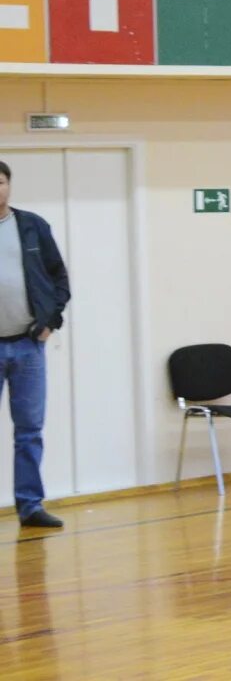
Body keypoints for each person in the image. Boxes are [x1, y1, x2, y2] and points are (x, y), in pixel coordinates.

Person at [0, 160, 70, 528]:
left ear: (9, 185)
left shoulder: (32, 227)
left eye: (0, 182)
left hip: (27, 346)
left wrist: (50, 322)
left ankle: (30, 506)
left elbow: (59, 277)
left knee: (29, 430)